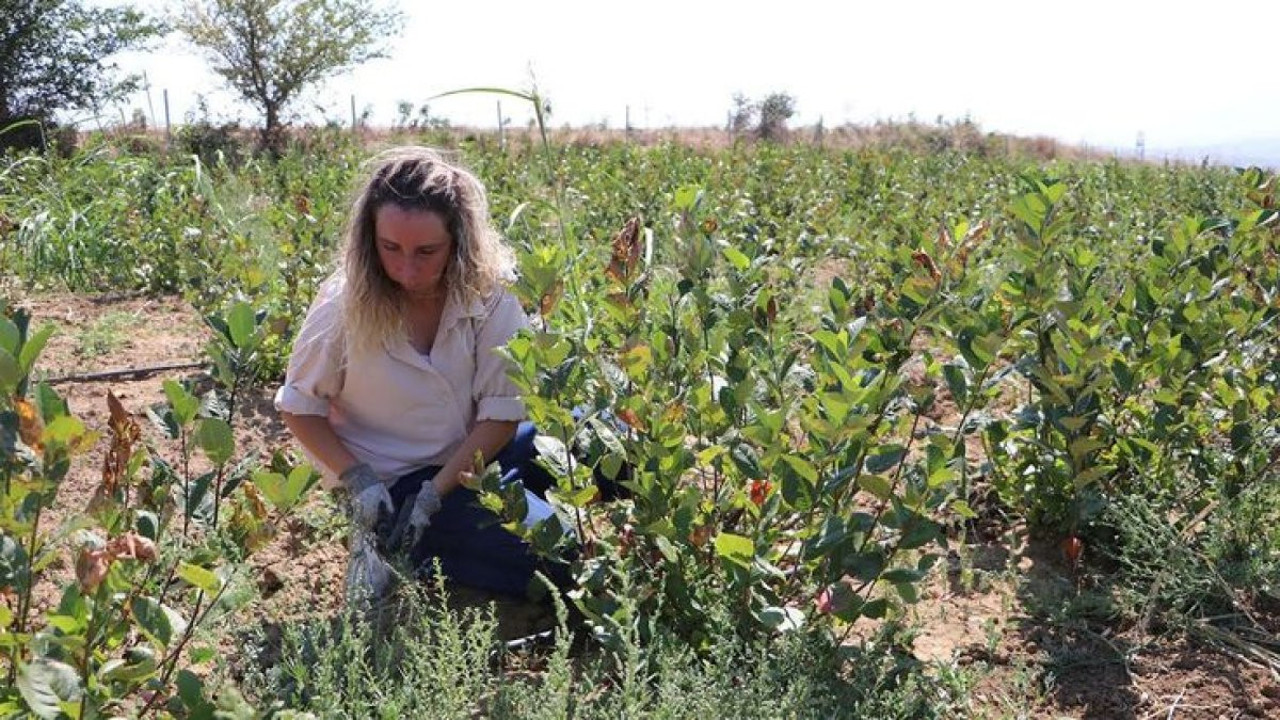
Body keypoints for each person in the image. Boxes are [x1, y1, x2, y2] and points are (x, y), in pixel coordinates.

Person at [274, 146, 562, 605]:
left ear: (460, 242)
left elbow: (501, 418)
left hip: (470, 464)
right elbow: (299, 407)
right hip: (395, 485)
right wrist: (359, 480)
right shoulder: (342, 304)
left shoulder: (491, 296)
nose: (407, 269)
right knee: (557, 559)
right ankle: (397, 541)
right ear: (370, 240)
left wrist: (437, 494)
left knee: (601, 439)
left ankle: (459, 529)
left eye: (427, 251)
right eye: (391, 249)